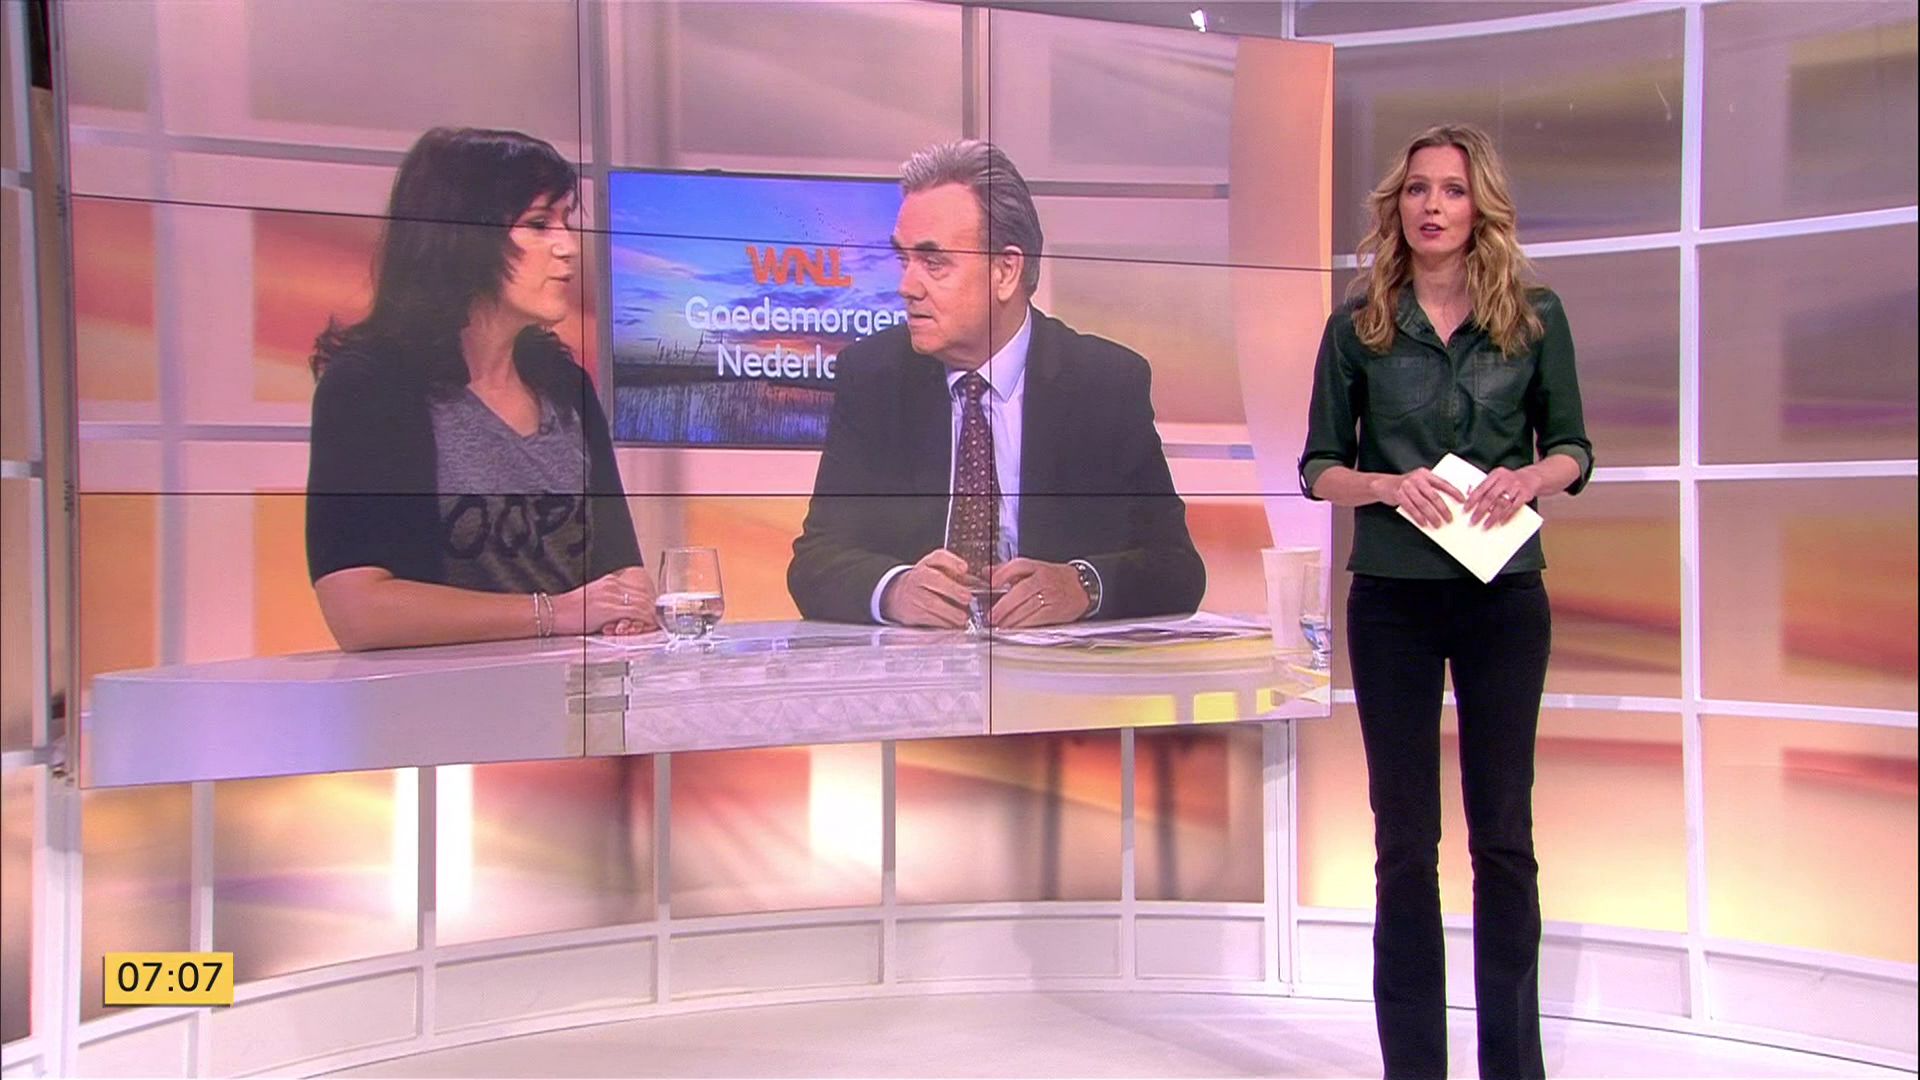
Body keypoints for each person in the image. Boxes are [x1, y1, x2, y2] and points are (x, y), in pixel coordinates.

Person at [1298, 123, 1592, 1079]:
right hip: (1393, 600)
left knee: (1503, 839)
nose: (1433, 206)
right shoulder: (1359, 326)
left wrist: (1530, 478)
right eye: (1419, 189)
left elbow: (1575, 448)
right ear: (1399, 207)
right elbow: (1318, 468)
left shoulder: (1534, 316)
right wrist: (1388, 485)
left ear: (1480, 207)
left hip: (1504, 597)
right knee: (1405, 845)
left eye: (1453, 190)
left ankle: (1513, 1068)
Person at [787, 139, 1204, 628]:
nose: (907, 286)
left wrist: (1082, 585)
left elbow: (1176, 568)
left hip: (1055, 668)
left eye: (934, 263)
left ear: (1006, 270)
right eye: (904, 260)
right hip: (918, 664)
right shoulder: (873, 377)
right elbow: (815, 560)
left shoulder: (1104, 384)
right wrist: (895, 589)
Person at [306, 127, 655, 651]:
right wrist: (554, 613)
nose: (567, 247)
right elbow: (358, 610)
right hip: (439, 695)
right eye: (538, 224)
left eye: (566, 221)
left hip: (575, 693)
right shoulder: (369, 387)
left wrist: (630, 603)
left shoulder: (566, 385)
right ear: (464, 237)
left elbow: (621, 566)